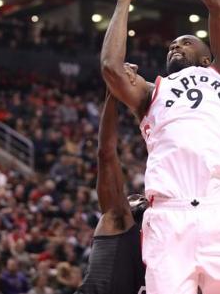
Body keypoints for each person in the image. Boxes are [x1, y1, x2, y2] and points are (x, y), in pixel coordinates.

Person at [101, 0, 220, 294]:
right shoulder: (149, 92)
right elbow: (111, 69)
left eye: (186, 42)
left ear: (206, 59)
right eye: (172, 44)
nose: (175, 46)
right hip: (168, 215)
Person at [75, 90, 147, 294]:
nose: (137, 196)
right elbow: (106, 153)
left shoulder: (167, 250)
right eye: (133, 197)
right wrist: (113, 93)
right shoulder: (118, 219)